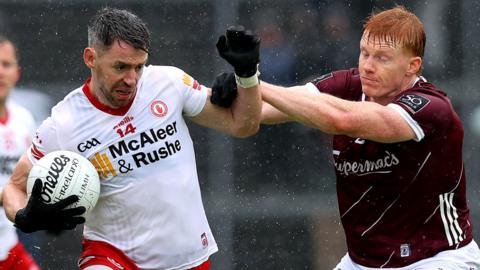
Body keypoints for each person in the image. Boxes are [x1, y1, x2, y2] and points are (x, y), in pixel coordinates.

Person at [212, 5, 480, 269]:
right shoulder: (348, 84)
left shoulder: (431, 108)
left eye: (382, 58)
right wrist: (238, 89)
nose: (368, 66)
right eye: (364, 53)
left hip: (437, 258)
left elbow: (342, 120)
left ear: (413, 66)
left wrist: (252, 80)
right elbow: (260, 111)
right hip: (361, 262)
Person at [2, 8, 261, 270]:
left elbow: (242, 124)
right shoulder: (63, 123)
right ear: (91, 58)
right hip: (111, 257)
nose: (131, 79)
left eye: (139, 67)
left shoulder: (168, 83)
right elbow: (14, 186)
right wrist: (24, 216)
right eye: (121, 67)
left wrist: (247, 75)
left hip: (187, 257)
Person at [0, 36, 40, 270]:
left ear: (17, 72)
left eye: (6, 64)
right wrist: (9, 197)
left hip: (8, 240)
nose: (0, 72)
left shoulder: (24, 119)